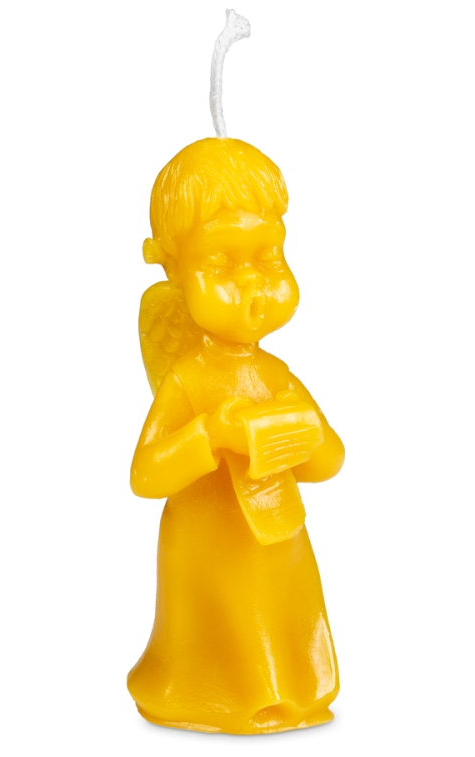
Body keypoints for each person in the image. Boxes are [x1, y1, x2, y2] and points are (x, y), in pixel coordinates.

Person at [127, 137, 344, 734]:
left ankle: (298, 689)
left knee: (282, 605)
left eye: (268, 257)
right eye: (221, 265)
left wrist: (308, 438)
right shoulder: (189, 378)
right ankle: (230, 695)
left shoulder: (276, 376)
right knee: (229, 612)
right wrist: (210, 433)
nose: (252, 285)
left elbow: (331, 460)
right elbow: (145, 474)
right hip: (208, 540)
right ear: (173, 269)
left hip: (278, 533)